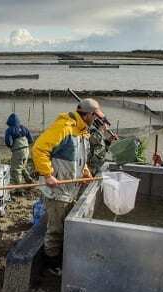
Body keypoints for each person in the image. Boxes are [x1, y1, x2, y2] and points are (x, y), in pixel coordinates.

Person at [32, 98, 102, 272]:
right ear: (88, 115)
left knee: (63, 226)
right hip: (57, 190)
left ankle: (59, 258)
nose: (97, 120)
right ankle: (52, 265)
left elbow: (79, 159)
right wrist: (47, 175)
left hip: (71, 189)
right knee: (55, 230)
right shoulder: (64, 128)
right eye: (95, 116)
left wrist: (85, 171)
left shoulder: (82, 132)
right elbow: (39, 149)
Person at [4, 113, 34, 185]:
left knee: (16, 169)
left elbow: (9, 142)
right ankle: (29, 180)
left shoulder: (9, 130)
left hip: (18, 151)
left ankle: (19, 187)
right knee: (22, 166)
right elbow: (31, 140)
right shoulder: (24, 128)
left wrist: (11, 146)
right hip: (26, 150)